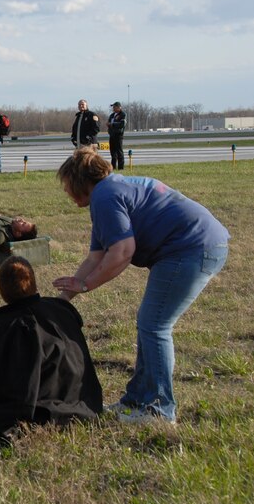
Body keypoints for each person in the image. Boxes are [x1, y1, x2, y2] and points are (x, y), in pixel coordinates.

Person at [52, 147, 229, 425]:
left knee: (155, 325)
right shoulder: (110, 191)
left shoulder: (105, 197)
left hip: (191, 248)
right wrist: (62, 301)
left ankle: (159, 410)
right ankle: (136, 400)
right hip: (199, 244)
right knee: (149, 323)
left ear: (77, 180)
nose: (65, 192)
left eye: (65, 185)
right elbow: (96, 257)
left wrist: (86, 286)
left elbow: (122, 252)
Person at [0, 256, 103, 440]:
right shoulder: (62, 311)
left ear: (1, 290)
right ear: (34, 284)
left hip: (35, 410)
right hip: (80, 402)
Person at [107, 101, 127, 170]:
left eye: (115, 107)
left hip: (118, 135)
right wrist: (109, 128)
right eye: (113, 107)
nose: (113, 108)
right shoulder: (112, 115)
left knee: (119, 152)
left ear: (119, 107)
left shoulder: (122, 114)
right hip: (112, 135)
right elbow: (109, 123)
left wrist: (112, 124)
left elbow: (122, 124)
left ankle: (121, 167)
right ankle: (113, 167)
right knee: (113, 152)